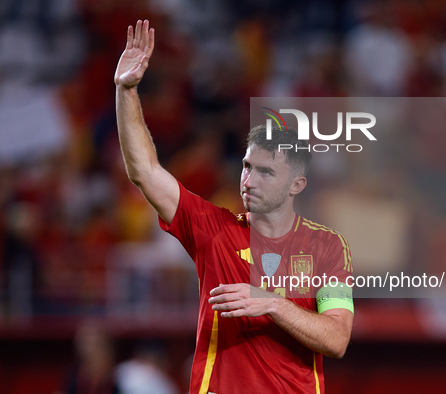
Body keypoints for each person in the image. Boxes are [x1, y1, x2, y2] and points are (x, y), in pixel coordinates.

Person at [114, 20, 354, 394]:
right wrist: (126, 91)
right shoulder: (213, 229)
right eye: (246, 167)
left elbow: (337, 338)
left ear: (296, 185)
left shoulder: (327, 248)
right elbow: (144, 171)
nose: (249, 180)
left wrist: (273, 304)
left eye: (265, 172)